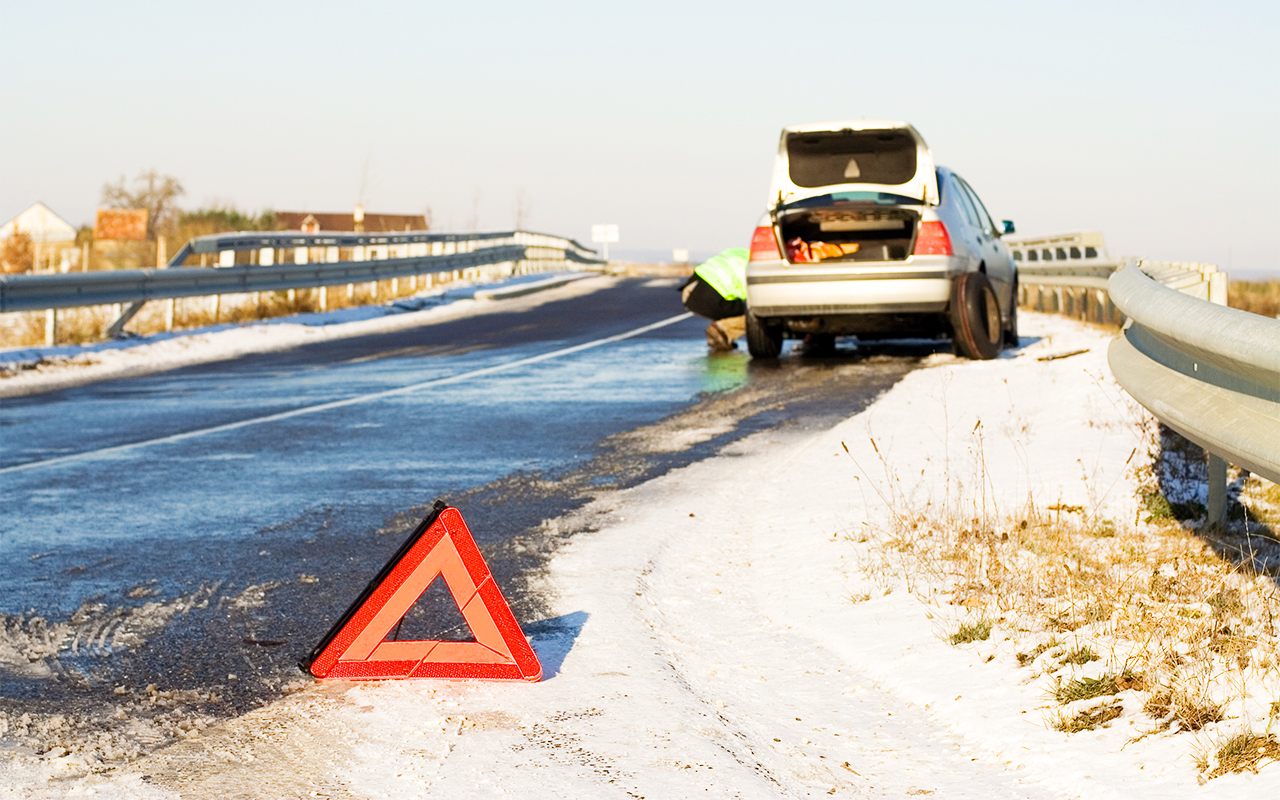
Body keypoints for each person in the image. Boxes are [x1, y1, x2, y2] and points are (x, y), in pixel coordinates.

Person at [680, 248, 748, 351]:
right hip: (711, 299)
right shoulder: (763, 264)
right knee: (760, 313)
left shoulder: (744, 253)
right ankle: (723, 330)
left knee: (729, 298)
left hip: (691, 289)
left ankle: (717, 333)